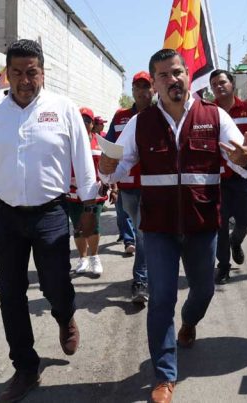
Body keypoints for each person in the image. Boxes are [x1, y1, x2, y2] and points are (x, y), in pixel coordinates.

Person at [99, 49, 247, 403]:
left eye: (178, 72)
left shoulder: (213, 116)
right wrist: (107, 168)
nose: (174, 80)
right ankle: (165, 375)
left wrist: (246, 158)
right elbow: (116, 170)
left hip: (202, 226)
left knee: (203, 291)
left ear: (188, 75)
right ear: (154, 84)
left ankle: (189, 322)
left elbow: (246, 163)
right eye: (165, 75)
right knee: (161, 299)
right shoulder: (141, 123)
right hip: (158, 228)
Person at [0, 39, 98, 402]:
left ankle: (64, 314)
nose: (25, 80)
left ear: (43, 72)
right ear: (7, 74)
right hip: (6, 216)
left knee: (56, 284)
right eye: (18, 73)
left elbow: (82, 159)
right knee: (10, 294)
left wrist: (89, 207)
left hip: (50, 214)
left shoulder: (63, 109)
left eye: (32, 72)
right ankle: (25, 367)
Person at [209, 69, 247, 284]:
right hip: (218, 179)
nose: (218, 86)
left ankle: (236, 241)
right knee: (220, 225)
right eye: (214, 84)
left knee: (246, 219)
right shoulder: (209, 111)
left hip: (243, 177)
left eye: (222, 82)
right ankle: (223, 266)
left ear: (232, 84)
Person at [105, 70, 155, 304]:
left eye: (146, 87)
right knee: (141, 233)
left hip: (153, 187)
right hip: (127, 186)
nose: (142, 92)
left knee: (144, 234)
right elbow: (110, 149)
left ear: (153, 90)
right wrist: (110, 181)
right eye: (138, 87)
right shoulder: (121, 116)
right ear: (132, 91)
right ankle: (148, 274)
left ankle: (141, 280)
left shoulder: (160, 115)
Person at [68, 107, 108, 277]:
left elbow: (108, 166)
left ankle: (94, 257)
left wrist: (111, 185)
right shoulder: (69, 141)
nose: (84, 123)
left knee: (93, 226)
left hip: (94, 192)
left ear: (92, 124)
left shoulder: (100, 142)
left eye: (87, 120)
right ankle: (83, 259)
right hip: (73, 192)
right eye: (81, 119)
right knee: (77, 227)